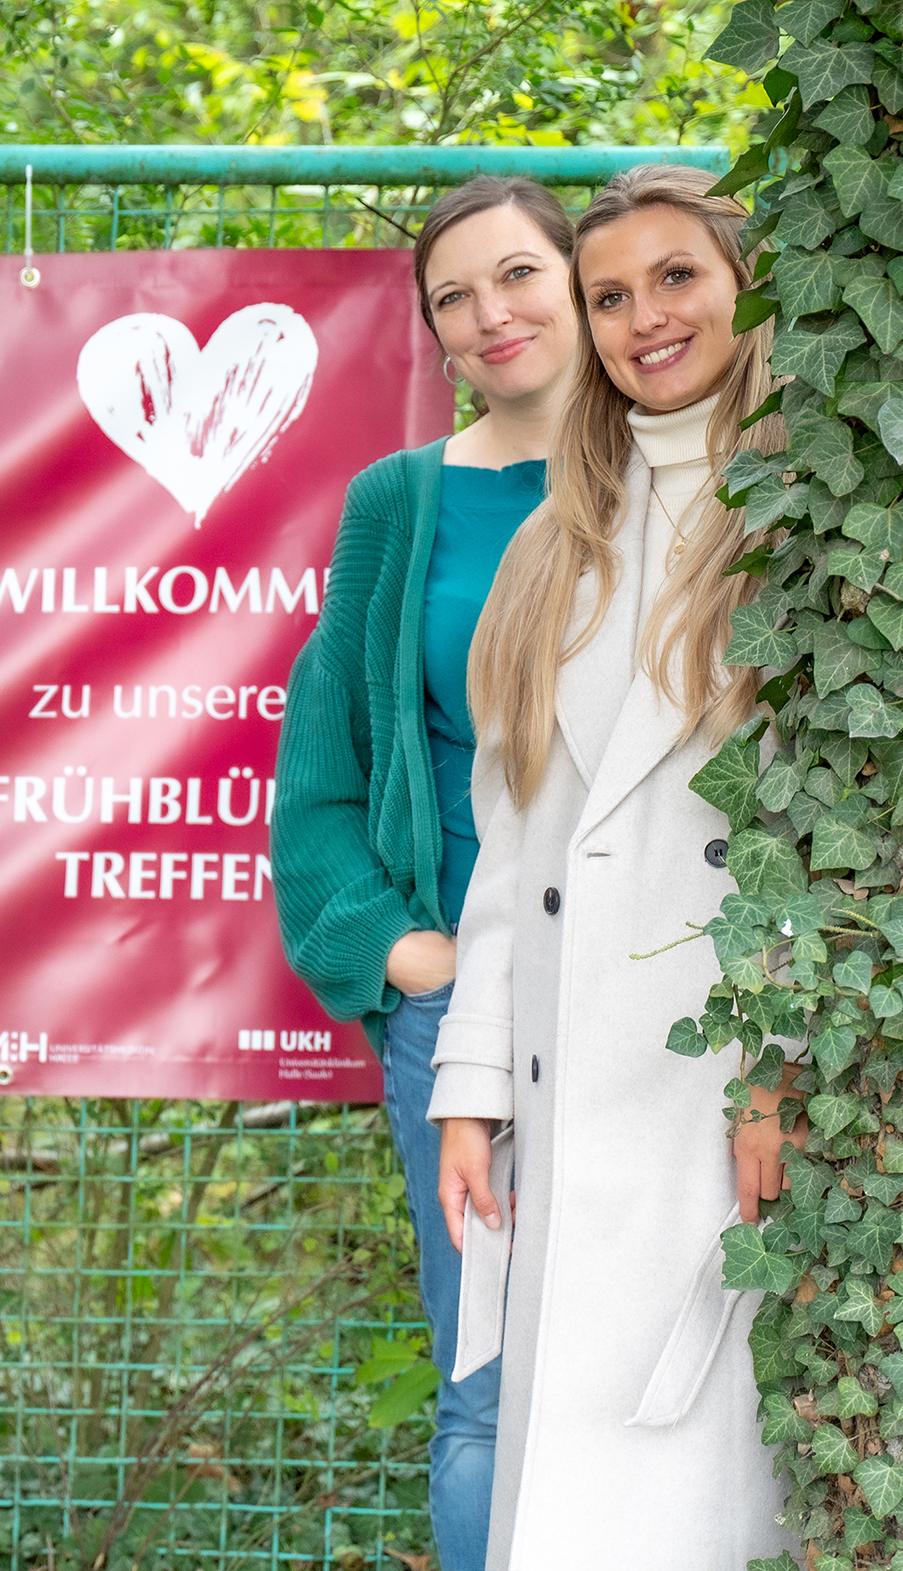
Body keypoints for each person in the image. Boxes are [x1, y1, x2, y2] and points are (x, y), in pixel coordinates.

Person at [431, 163, 795, 1565]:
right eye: (608, 295)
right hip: (567, 1085)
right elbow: (513, 844)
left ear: (744, 286)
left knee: (712, 1490)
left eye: (675, 277)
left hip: (739, 1095)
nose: (644, 318)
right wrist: (470, 1085)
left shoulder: (823, 529)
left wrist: (783, 1071)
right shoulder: (551, 547)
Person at [270, 176, 578, 1571]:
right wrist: (407, 961)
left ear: (579, 285)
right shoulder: (398, 507)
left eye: (515, 275)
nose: (487, 313)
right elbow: (320, 783)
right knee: (486, 1398)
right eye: (451, 296)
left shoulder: (694, 486)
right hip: (463, 1022)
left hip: (651, 1008)